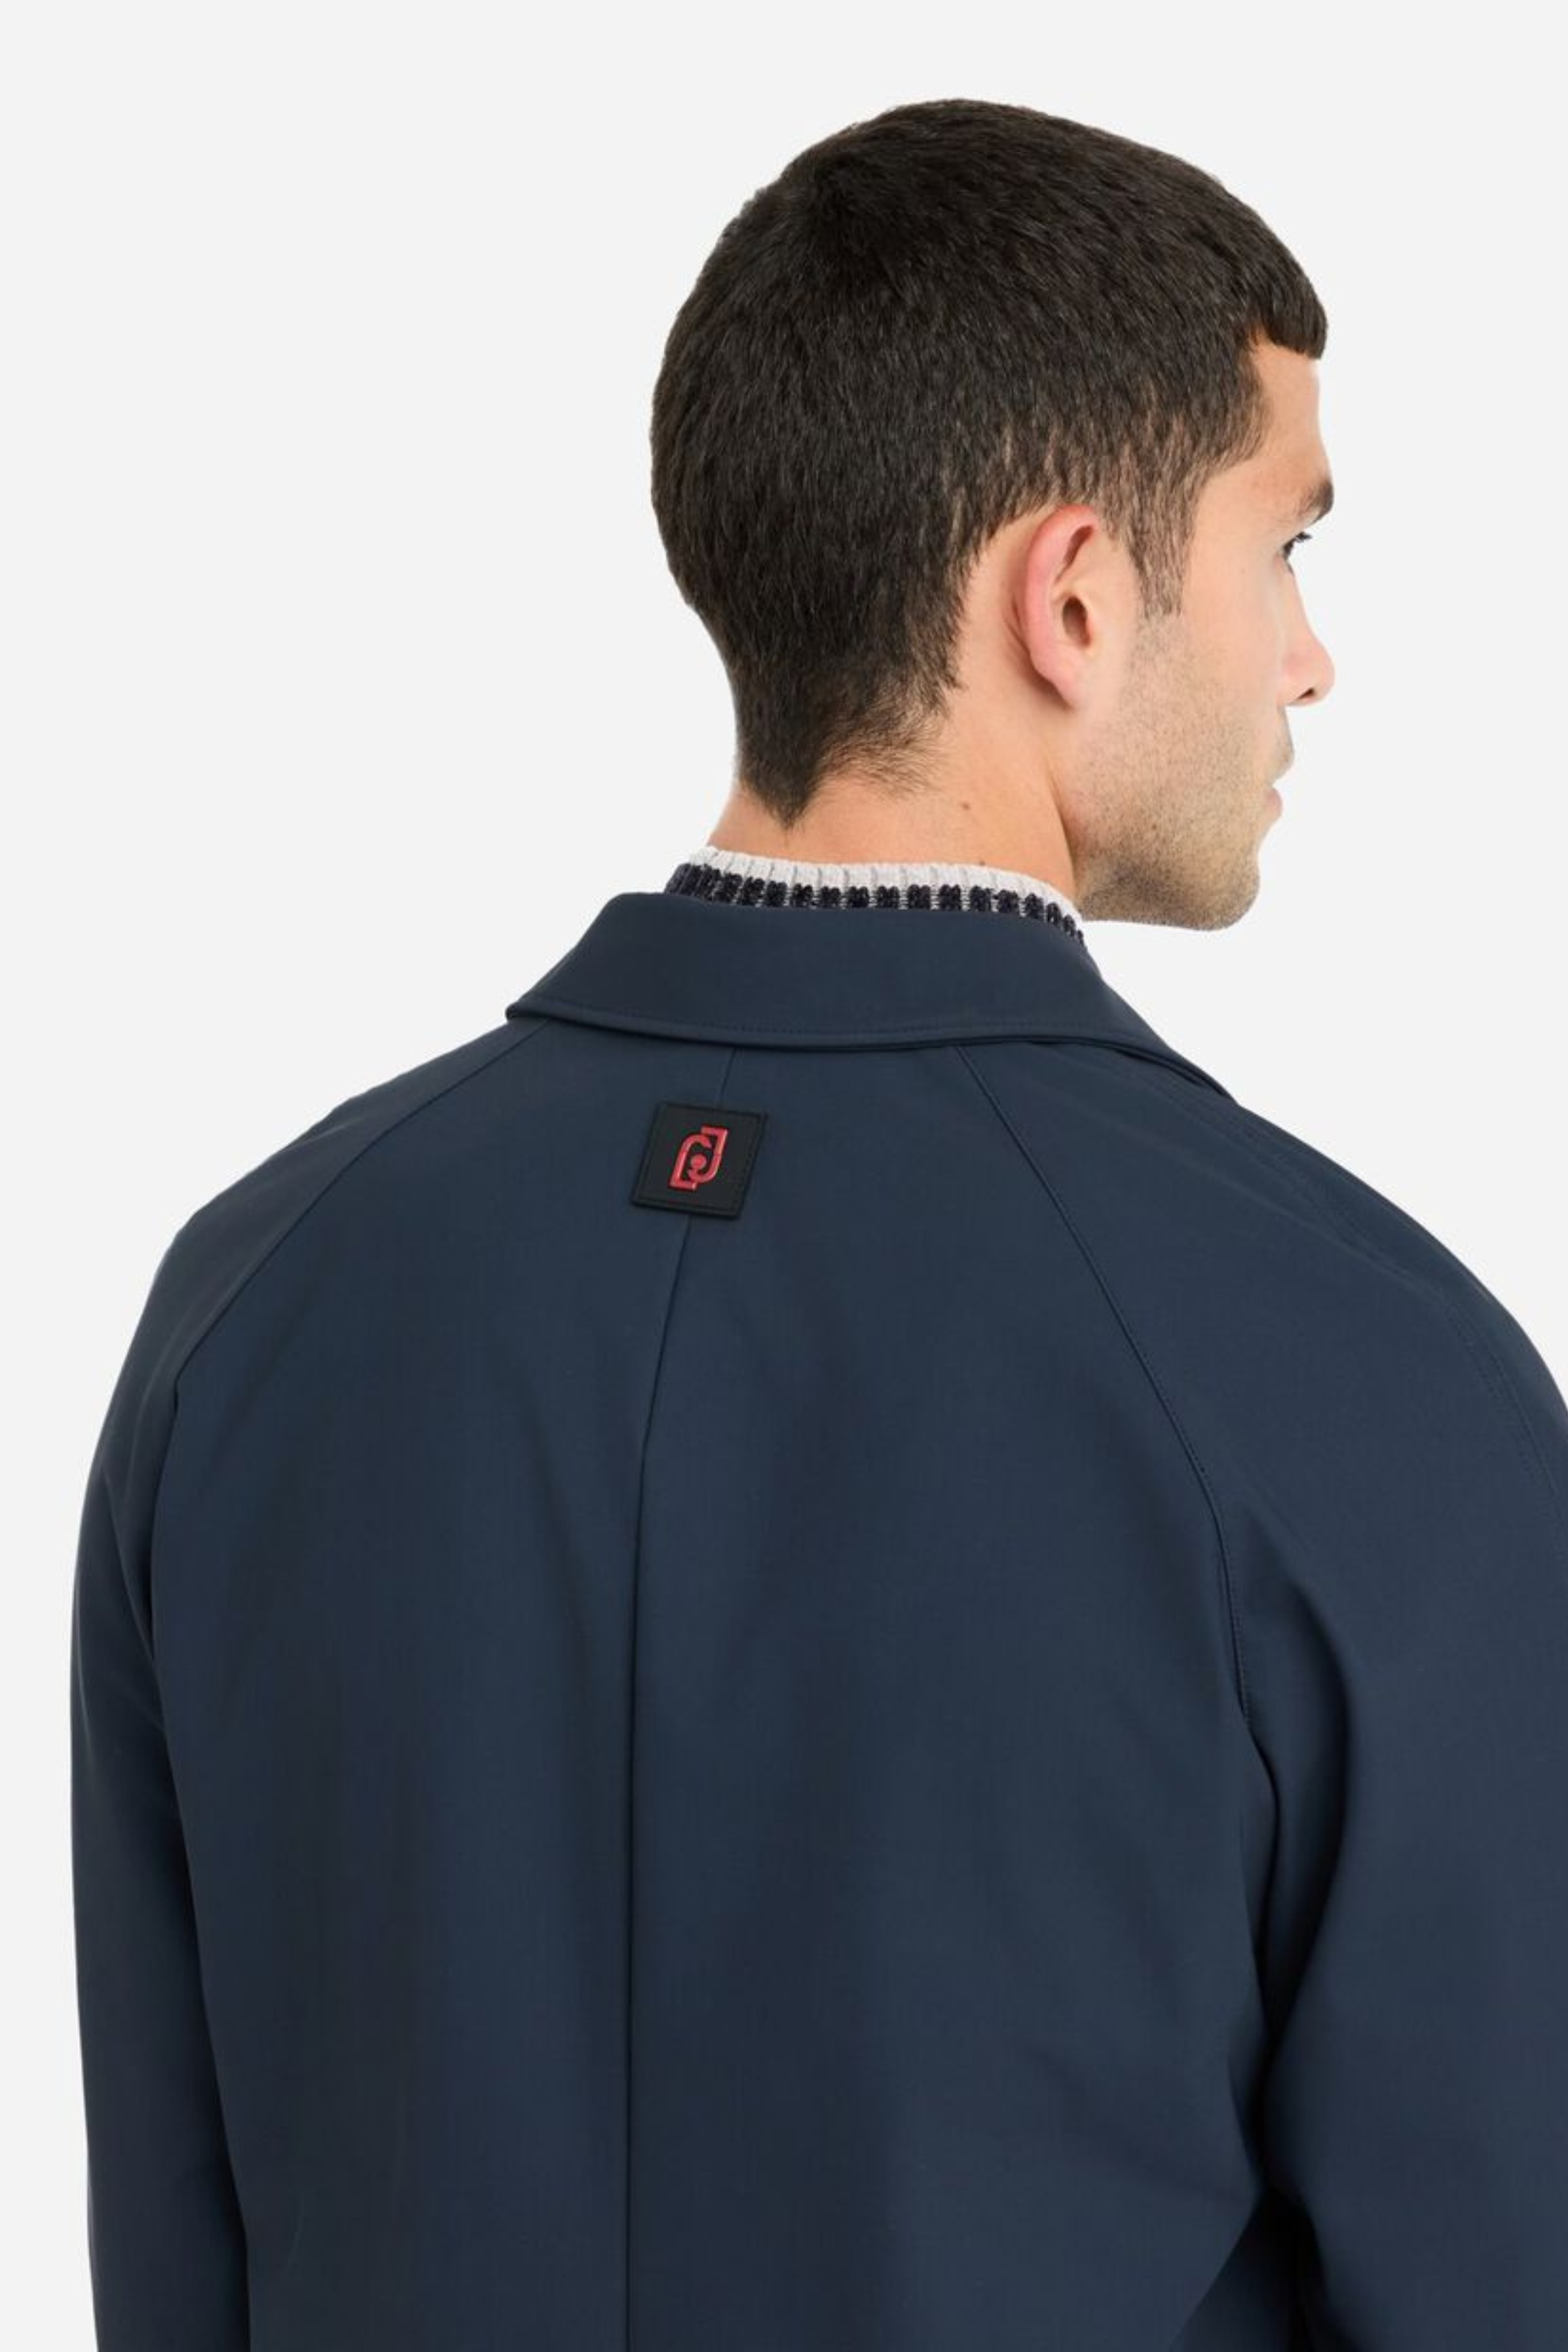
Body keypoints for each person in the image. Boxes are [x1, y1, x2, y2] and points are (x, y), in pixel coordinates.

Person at [69, 97, 1568, 2350]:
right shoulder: (1367, 1378)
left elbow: (184, 2266)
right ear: (1074, 596)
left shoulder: (253, 1304)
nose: (1310, 658)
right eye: (1286, 547)